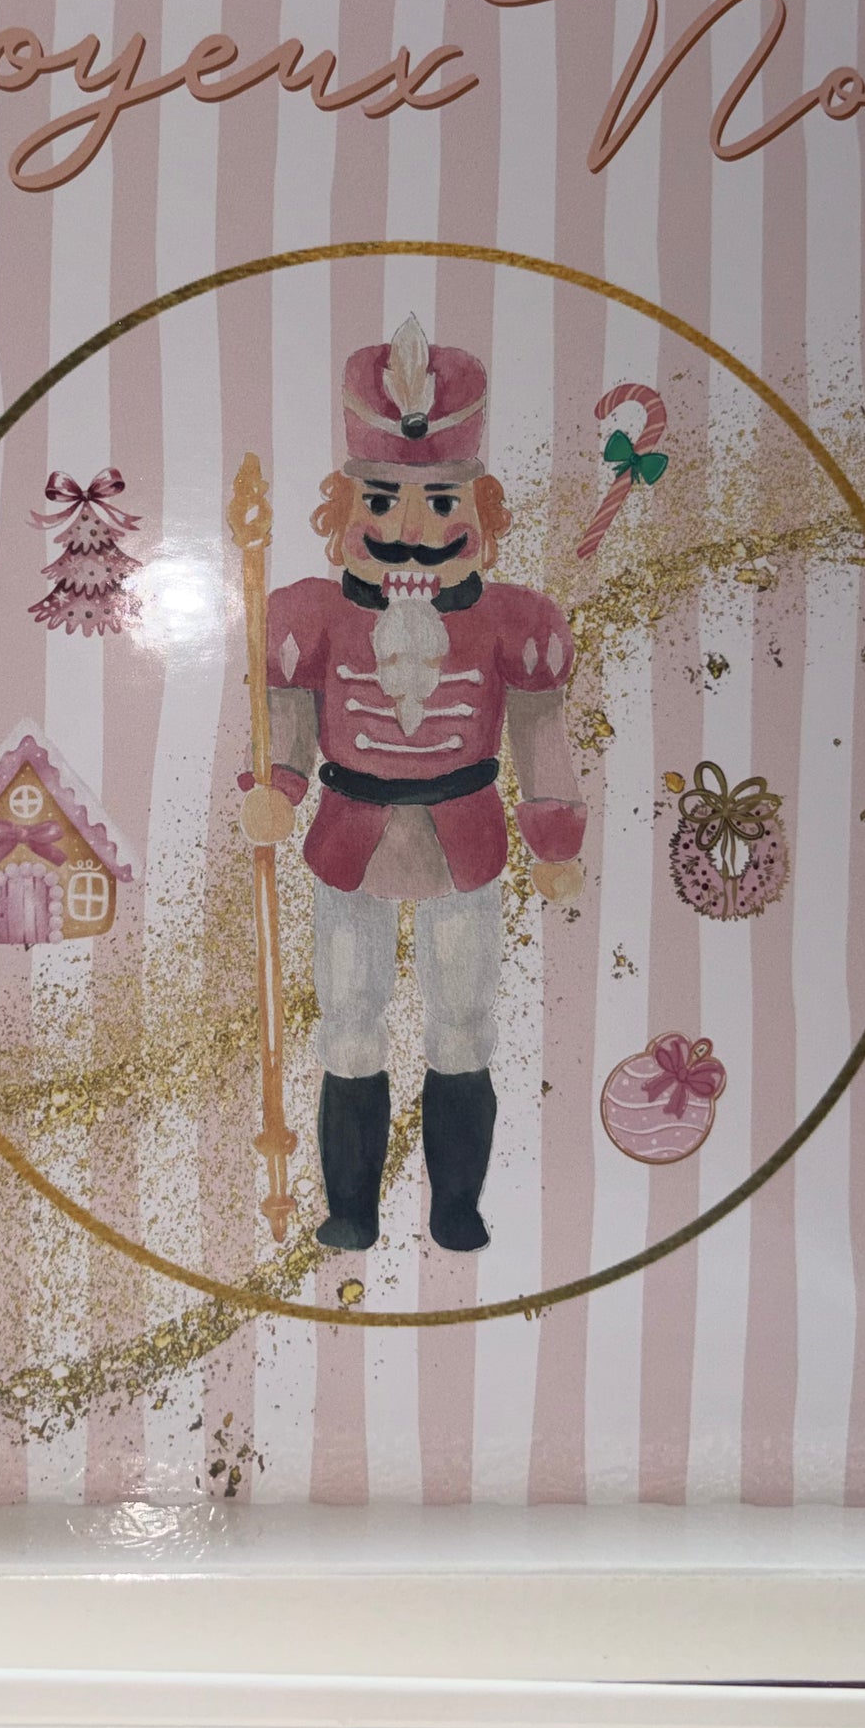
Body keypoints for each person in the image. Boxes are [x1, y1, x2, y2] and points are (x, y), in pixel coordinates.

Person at [239, 315, 586, 1252]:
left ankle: (455, 1204)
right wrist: (275, 785)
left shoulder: (516, 621)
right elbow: (288, 722)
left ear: (482, 510)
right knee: (349, 1024)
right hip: (348, 839)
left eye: (439, 502)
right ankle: (350, 1206)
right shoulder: (307, 614)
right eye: (384, 500)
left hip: (464, 840)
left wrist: (555, 835)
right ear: (344, 508)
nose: (409, 528)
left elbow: (540, 733)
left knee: (462, 1024)